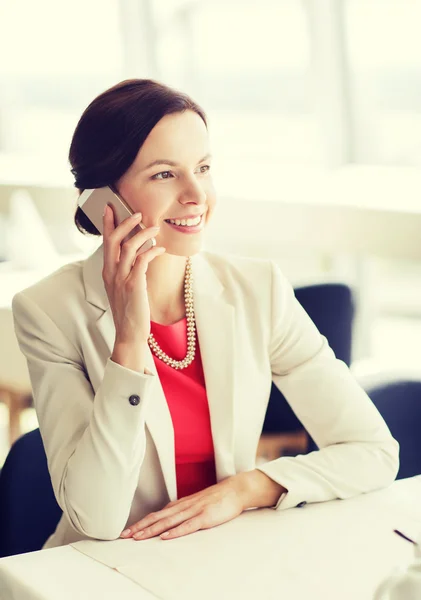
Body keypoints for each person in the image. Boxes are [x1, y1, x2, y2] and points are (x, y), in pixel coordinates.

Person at [12, 79, 399, 549]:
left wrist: (245, 489)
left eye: (203, 167)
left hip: (221, 553)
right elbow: (98, 518)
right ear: (103, 200)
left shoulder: (259, 290)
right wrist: (130, 341)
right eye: (164, 174)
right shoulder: (48, 312)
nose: (197, 194)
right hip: (107, 568)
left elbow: (373, 451)